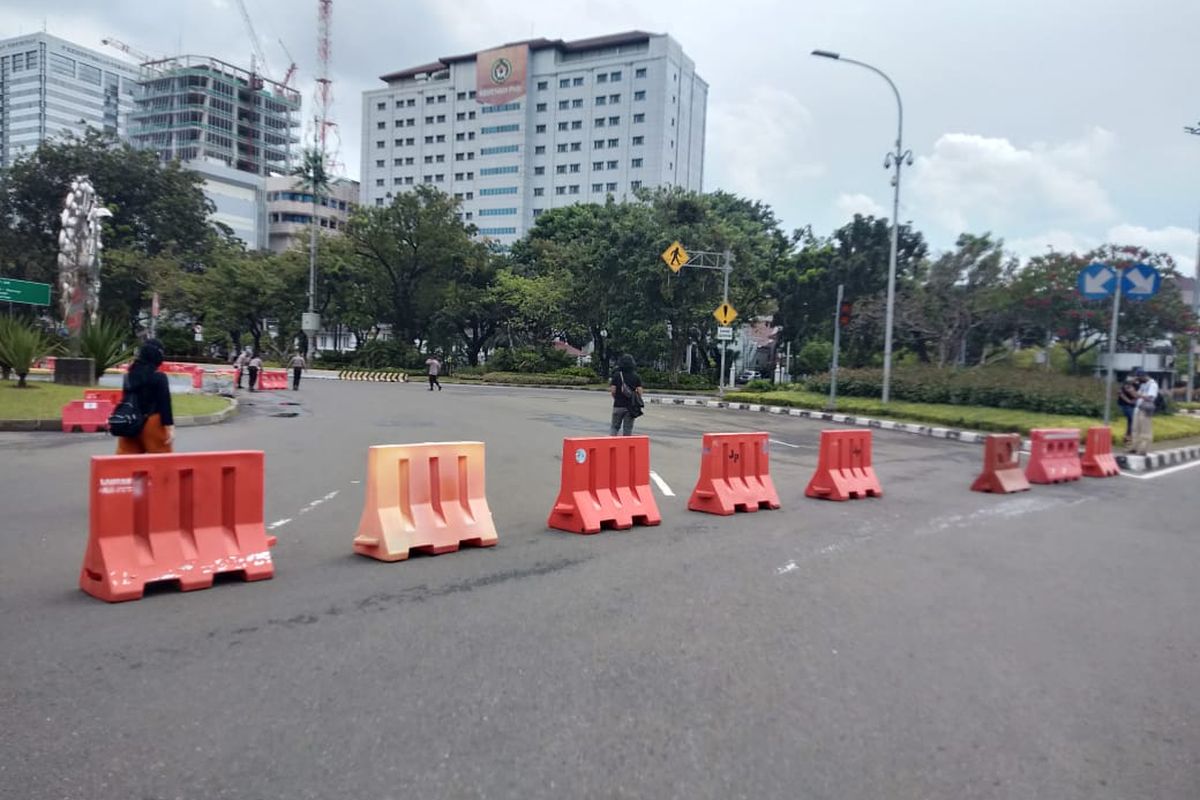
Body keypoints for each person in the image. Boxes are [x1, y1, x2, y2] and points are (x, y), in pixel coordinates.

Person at [116, 340, 174, 455]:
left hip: (130, 421)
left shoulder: (128, 376)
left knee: (126, 463)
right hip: (152, 422)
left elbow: (126, 398)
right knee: (162, 463)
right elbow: (165, 404)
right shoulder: (159, 377)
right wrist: (170, 427)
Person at [608, 354, 644, 436]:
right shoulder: (636, 376)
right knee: (628, 429)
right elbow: (640, 391)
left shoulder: (617, 375)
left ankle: (611, 445)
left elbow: (613, 391)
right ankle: (625, 447)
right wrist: (634, 398)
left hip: (618, 405)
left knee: (614, 427)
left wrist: (616, 398)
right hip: (630, 407)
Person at [1130, 367, 1159, 456]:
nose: (1138, 380)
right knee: (1135, 429)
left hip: (1145, 409)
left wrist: (1137, 394)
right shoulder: (1143, 384)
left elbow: (1149, 398)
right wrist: (1131, 389)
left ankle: (1143, 450)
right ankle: (1134, 448)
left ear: (1143, 376)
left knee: (1145, 430)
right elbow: (1137, 395)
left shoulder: (1152, 384)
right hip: (1138, 408)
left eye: (1139, 378)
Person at [1117, 374, 1140, 446]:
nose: (1136, 378)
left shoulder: (1136, 384)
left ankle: (1128, 438)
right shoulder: (1127, 384)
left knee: (1132, 421)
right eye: (1135, 377)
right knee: (1132, 420)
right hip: (1125, 405)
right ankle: (1127, 438)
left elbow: (1136, 395)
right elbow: (1122, 394)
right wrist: (1130, 401)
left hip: (1132, 406)